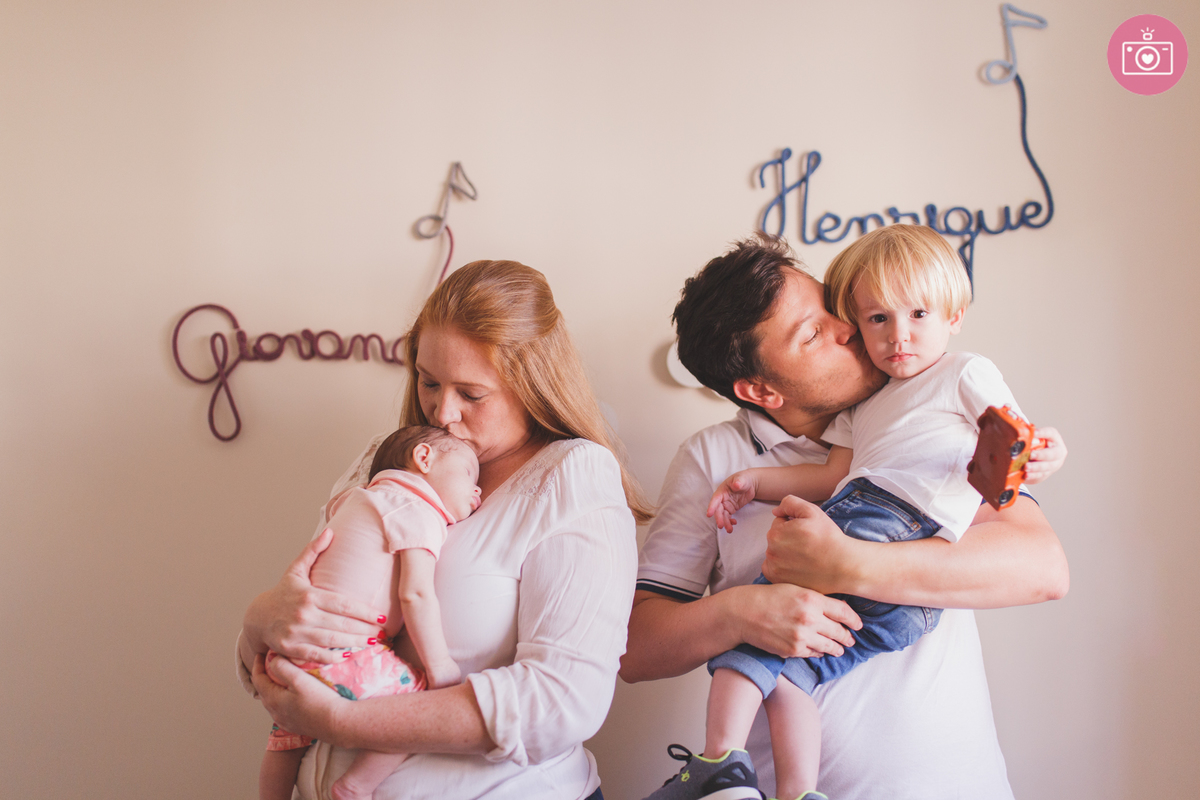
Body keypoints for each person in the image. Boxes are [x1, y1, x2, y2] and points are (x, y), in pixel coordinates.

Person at [622, 233, 1069, 800]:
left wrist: (849, 563)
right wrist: (743, 612)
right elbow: (634, 650)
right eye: (813, 333)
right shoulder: (712, 461)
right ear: (759, 389)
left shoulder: (925, 412)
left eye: (832, 309)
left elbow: (1042, 569)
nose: (850, 328)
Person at [238, 259, 653, 800]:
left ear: (532, 384)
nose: (444, 411)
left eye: (471, 394)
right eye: (429, 381)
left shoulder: (570, 476)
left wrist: (344, 724)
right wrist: (257, 623)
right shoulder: (389, 460)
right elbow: (297, 638)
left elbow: (564, 702)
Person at [259, 424, 482, 800]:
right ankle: (355, 786)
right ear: (424, 458)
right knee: (412, 707)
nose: (477, 489)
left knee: (285, 738)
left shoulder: (356, 498)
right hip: (346, 651)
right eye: (468, 473)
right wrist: (439, 665)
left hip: (296, 647)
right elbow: (415, 595)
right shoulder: (415, 509)